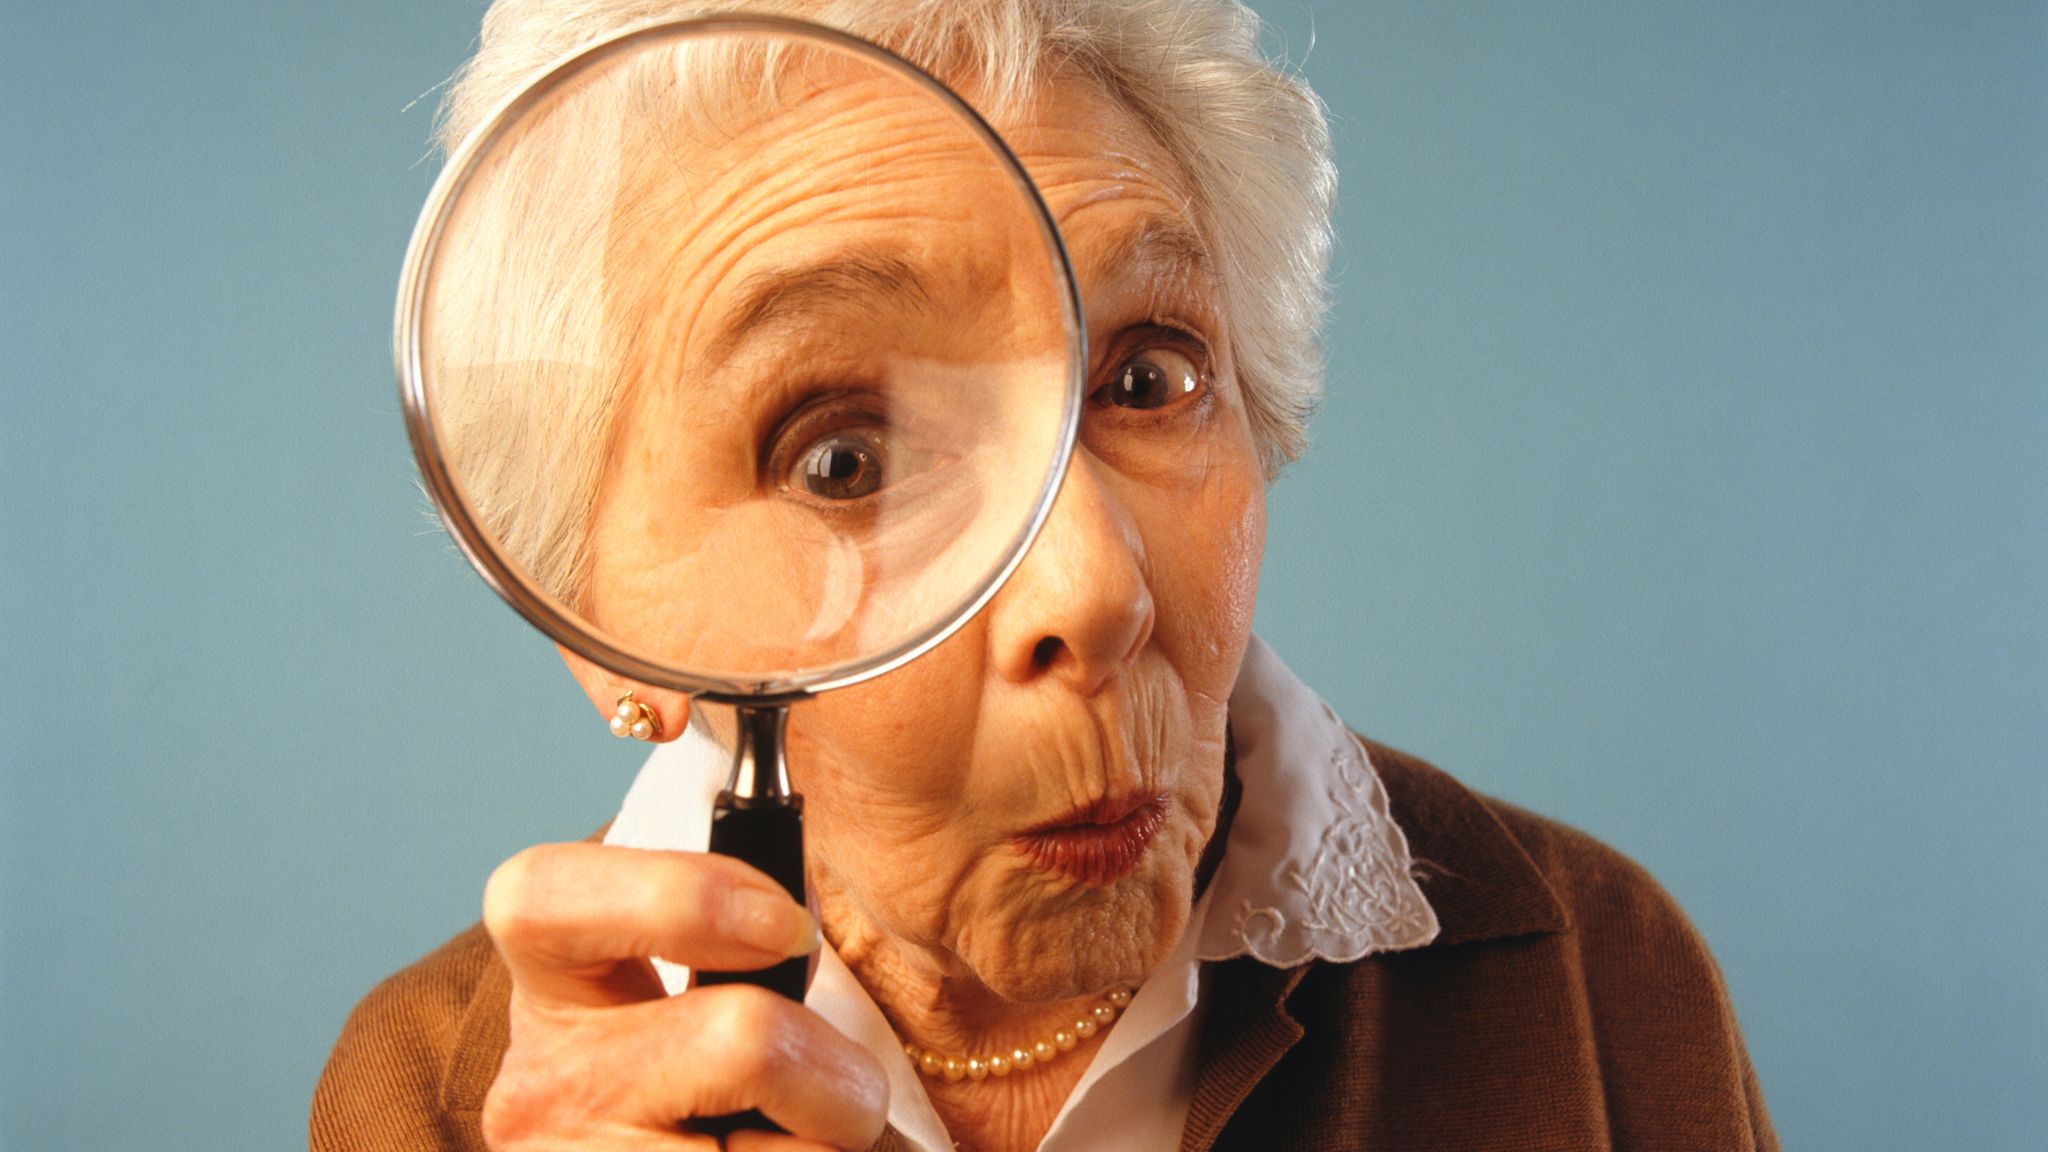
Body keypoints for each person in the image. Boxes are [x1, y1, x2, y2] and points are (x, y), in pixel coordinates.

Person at [314, 2, 1777, 1149]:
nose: (1093, 588)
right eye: (845, 460)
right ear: (601, 629)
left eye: (1148, 375)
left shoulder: (1597, 981)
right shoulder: (438, 1103)